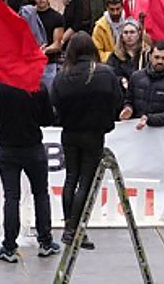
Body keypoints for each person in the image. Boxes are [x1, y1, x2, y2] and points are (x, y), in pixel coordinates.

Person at [50, 31, 121, 248]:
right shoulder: (105, 74)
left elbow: (54, 103)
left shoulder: (63, 76)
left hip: (70, 131)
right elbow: (117, 101)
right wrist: (106, 121)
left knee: (71, 178)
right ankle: (75, 229)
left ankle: (68, 227)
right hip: (93, 133)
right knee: (85, 181)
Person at [0, 77, 58, 262]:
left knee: (11, 197)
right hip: (33, 146)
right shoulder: (38, 86)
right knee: (40, 194)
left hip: (8, 148)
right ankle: (45, 242)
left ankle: (9, 246)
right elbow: (48, 119)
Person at [120, 40, 164, 129]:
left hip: (160, 132)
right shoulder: (136, 77)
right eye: (156, 57)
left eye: (163, 58)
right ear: (150, 57)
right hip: (136, 130)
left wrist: (149, 119)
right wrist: (128, 109)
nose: (160, 61)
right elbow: (128, 100)